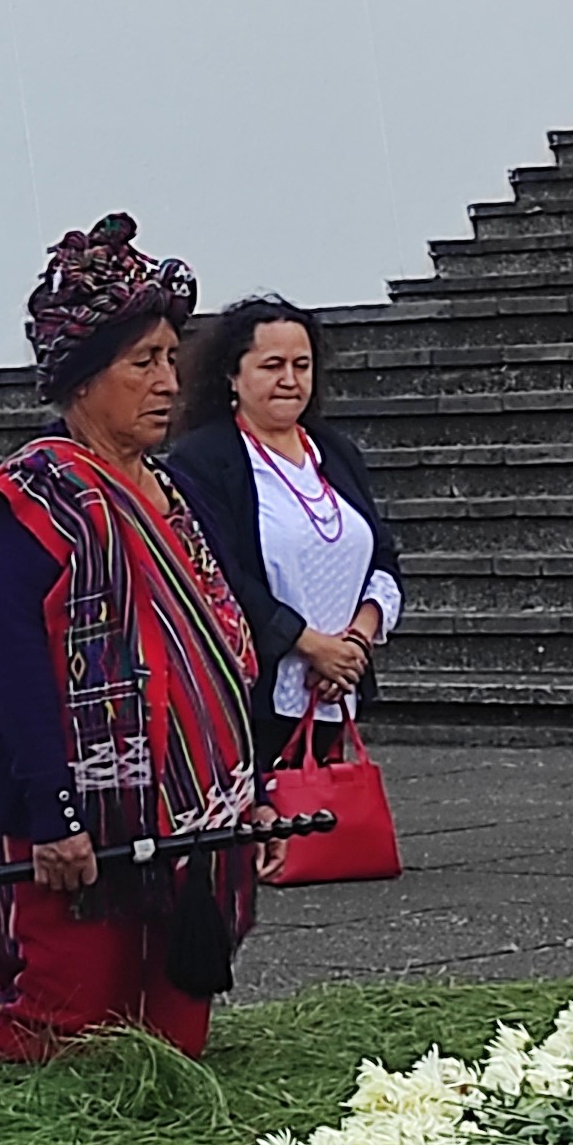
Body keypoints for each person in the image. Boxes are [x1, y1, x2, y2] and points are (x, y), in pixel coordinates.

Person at [0, 216, 266, 1063]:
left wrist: (252, 787)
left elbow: (215, 642)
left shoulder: (173, 492)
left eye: (170, 356)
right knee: (58, 1033)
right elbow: (12, 669)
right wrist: (57, 815)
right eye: (141, 362)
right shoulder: (33, 502)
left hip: (188, 818)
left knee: (168, 1039)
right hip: (79, 817)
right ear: (82, 380)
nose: (167, 380)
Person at [169, 296, 405, 782]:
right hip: (253, 692)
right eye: (272, 365)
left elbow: (381, 555)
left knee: (324, 835)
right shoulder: (203, 460)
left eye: (302, 365)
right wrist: (310, 645)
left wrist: (353, 644)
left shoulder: (335, 451)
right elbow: (220, 572)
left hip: (339, 685)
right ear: (232, 376)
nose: (290, 380)